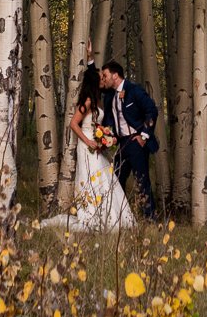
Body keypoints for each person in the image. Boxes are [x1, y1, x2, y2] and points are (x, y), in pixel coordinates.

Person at [37, 62, 136, 232]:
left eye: (104, 77)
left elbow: (98, 125)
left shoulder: (98, 100)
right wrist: (88, 141)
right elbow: (74, 124)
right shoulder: (88, 100)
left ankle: (110, 215)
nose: (103, 79)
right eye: (100, 78)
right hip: (86, 145)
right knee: (92, 177)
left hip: (96, 145)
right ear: (93, 81)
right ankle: (93, 213)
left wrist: (104, 138)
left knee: (104, 177)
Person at [91, 42, 160, 221]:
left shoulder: (134, 90)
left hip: (136, 143)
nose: (103, 79)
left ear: (115, 75)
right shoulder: (109, 95)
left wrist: (144, 135)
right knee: (116, 179)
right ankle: (119, 218)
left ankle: (150, 219)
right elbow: (93, 81)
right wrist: (90, 60)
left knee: (141, 180)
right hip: (122, 144)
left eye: (105, 75)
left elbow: (151, 110)